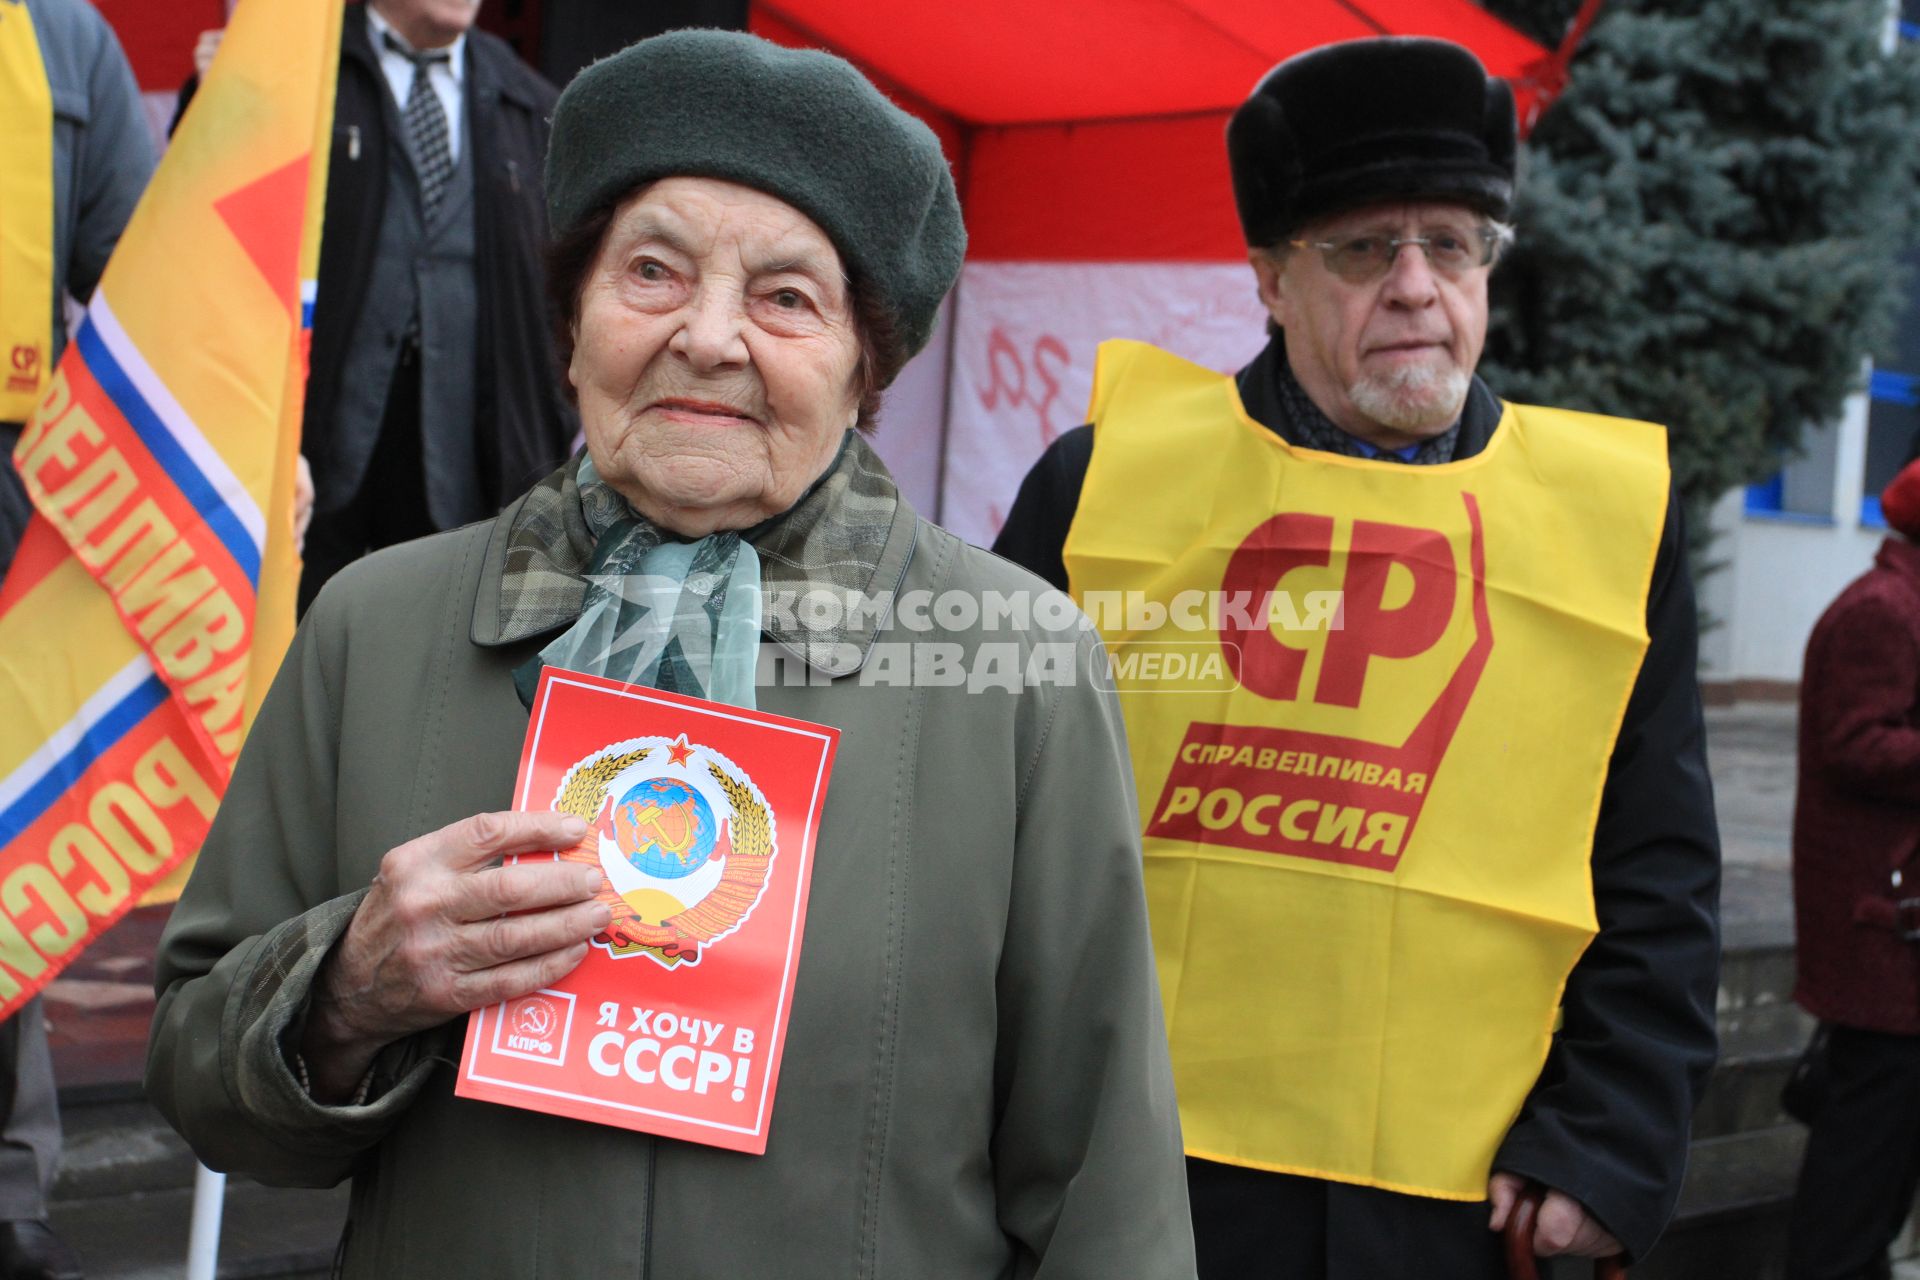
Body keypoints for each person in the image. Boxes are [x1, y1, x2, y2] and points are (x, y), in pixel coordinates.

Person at [146, 29, 1195, 1277]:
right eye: (652, 271)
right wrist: (344, 992)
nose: (707, 336)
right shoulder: (376, 624)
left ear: (868, 365)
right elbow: (198, 1078)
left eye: (786, 298)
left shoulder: (1020, 667)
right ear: (575, 324)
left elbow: (1103, 1195)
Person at [993, 36, 1721, 1279]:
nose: (1417, 286)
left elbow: (1657, 868)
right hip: (1132, 1191)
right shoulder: (1103, 482)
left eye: (1453, 242)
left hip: (1458, 1206)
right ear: (1270, 278)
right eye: (1362, 248)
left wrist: (1609, 1141)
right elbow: (978, 813)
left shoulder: (1607, 529)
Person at [0, 2, 153, 1275]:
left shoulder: (64, 36)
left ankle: (7, 1185)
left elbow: (149, 286)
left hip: (16, 517)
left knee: (7, 844)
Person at [282, 0, 573, 611]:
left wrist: (550, 422)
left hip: (466, 447)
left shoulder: (532, 102)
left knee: (426, 645)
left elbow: (564, 287)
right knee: (290, 638)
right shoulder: (297, 66)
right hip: (312, 449)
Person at [1785, 450, 1920, 1280]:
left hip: (1896, 948)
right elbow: (1856, 746)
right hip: (1881, 949)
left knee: (1878, 1177)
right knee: (1857, 1179)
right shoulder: (1884, 609)